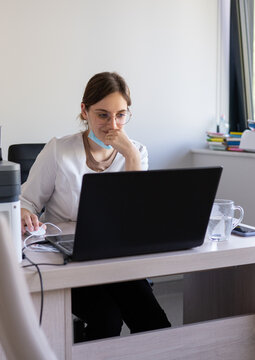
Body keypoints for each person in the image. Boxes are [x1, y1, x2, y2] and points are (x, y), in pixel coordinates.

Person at [20, 72, 171, 341]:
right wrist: (25, 213)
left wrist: (131, 156)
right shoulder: (58, 150)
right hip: (68, 260)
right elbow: (27, 201)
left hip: (116, 259)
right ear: (84, 111)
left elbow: (137, 217)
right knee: (106, 319)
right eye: (102, 115)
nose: (113, 124)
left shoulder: (137, 152)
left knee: (153, 322)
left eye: (121, 115)